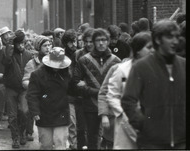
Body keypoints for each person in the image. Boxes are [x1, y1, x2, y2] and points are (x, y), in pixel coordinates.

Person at [121, 20, 185, 149]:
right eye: (169, 37)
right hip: (151, 143)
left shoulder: (184, 65)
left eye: (176, 37)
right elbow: (128, 100)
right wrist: (144, 124)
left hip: (182, 142)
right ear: (157, 40)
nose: (174, 41)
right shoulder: (141, 67)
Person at [73, 28, 121, 149]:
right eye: (98, 40)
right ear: (93, 42)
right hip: (90, 105)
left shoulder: (116, 61)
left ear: (108, 41)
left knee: (111, 138)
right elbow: (75, 84)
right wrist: (98, 92)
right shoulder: (83, 60)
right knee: (92, 139)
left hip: (110, 105)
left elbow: (121, 85)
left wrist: (88, 87)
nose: (101, 43)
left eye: (104, 40)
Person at [106, 32, 154, 149]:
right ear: (137, 50)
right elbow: (112, 95)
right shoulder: (122, 69)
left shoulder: (156, 70)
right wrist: (122, 113)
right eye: (148, 48)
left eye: (154, 47)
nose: (152, 50)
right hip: (125, 122)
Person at [26, 47, 72, 150]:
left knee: (60, 143)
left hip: (61, 113)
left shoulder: (67, 74)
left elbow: (72, 90)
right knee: (46, 144)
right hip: (43, 114)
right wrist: (35, 111)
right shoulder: (37, 75)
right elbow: (32, 95)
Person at [3, 29, 33, 148]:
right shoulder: (9, 53)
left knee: (24, 112)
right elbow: (5, 63)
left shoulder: (28, 55)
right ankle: (15, 138)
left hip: (24, 88)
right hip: (11, 88)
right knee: (12, 115)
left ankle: (22, 133)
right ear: (14, 44)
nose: (21, 46)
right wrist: (9, 48)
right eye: (18, 43)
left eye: (23, 43)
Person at [22, 35, 52, 142]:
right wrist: (35, 87)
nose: (48, 48)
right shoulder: (32, 63)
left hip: (50, 97)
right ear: (39, 47)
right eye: (45, 46)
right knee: (29, 112)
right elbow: (25, 80)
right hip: (36, 95)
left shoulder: (54, 61)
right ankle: (29, 131)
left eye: (49, 45)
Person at [71, 27, 94, 149]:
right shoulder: (78, 54)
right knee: (81, 128)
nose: (89, 44)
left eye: (91, 41)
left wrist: (86, 83)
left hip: (96, 97)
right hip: (81, 97)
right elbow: (75, 78)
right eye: (87, 42)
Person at [61, 29, 78, 150]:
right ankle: (73, 145)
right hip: (66, 93)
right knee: (71, 121)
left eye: (75, 41)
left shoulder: (79, 54)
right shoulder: (59, 55)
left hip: (78, 93)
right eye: (71, 42)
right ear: (66, 43)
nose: (74, 45)